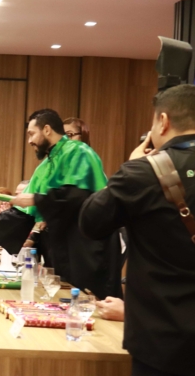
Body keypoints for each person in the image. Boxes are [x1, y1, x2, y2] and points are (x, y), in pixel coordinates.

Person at [79, 84, 195, 376]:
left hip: (163, 340)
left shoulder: (143, 171)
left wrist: (130, 167)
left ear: (163, 121)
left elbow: (91, 223)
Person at [0, 109, 123, 299]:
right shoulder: (43, 167)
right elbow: (23, 213)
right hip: (62, 246)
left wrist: (35, 199)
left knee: (93, 305)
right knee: (64, 301)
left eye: (32, 134)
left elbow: (76, 196)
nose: (29, 141)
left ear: (47, 130)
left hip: (89, 245)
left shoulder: (79, 152)